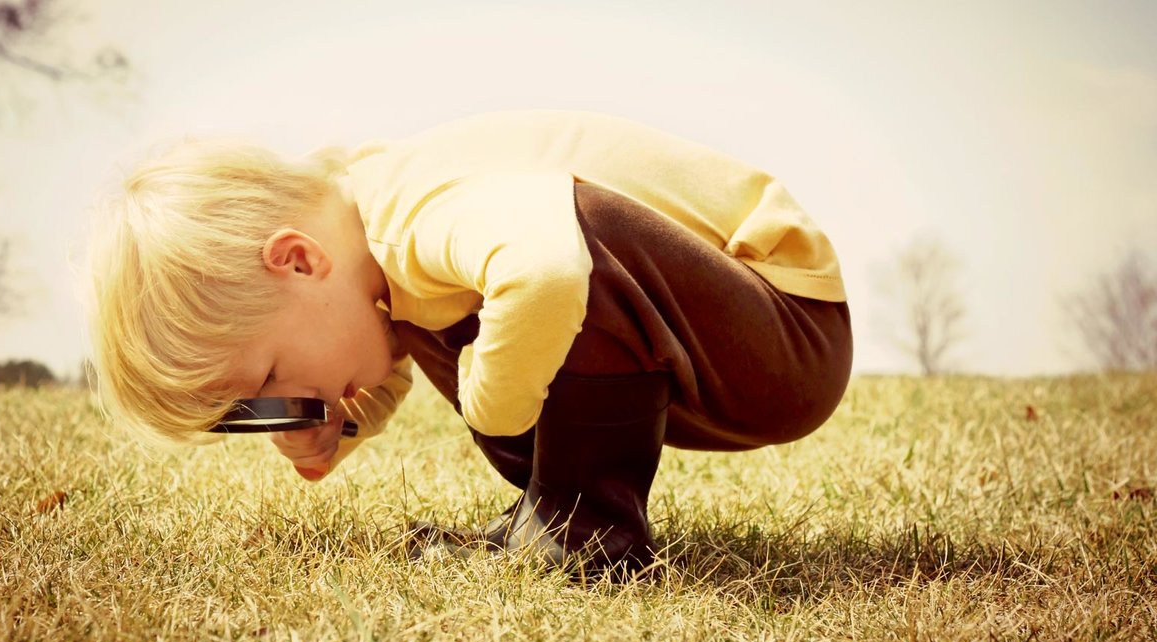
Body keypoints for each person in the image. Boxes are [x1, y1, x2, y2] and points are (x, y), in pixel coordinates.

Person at [87, 109, 853, 576]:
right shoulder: (371, 242)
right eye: (264, 410)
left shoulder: (411, 212)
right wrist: (331, 424)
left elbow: (552, 272)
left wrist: (494, 406)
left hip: (784, 325)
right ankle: (556, 509)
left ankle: (583, 534)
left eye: (274, 378)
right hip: (721, 335)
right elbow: (387, 340)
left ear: (297, 259)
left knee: (554, 258)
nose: (285, 404)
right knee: (459, 316)